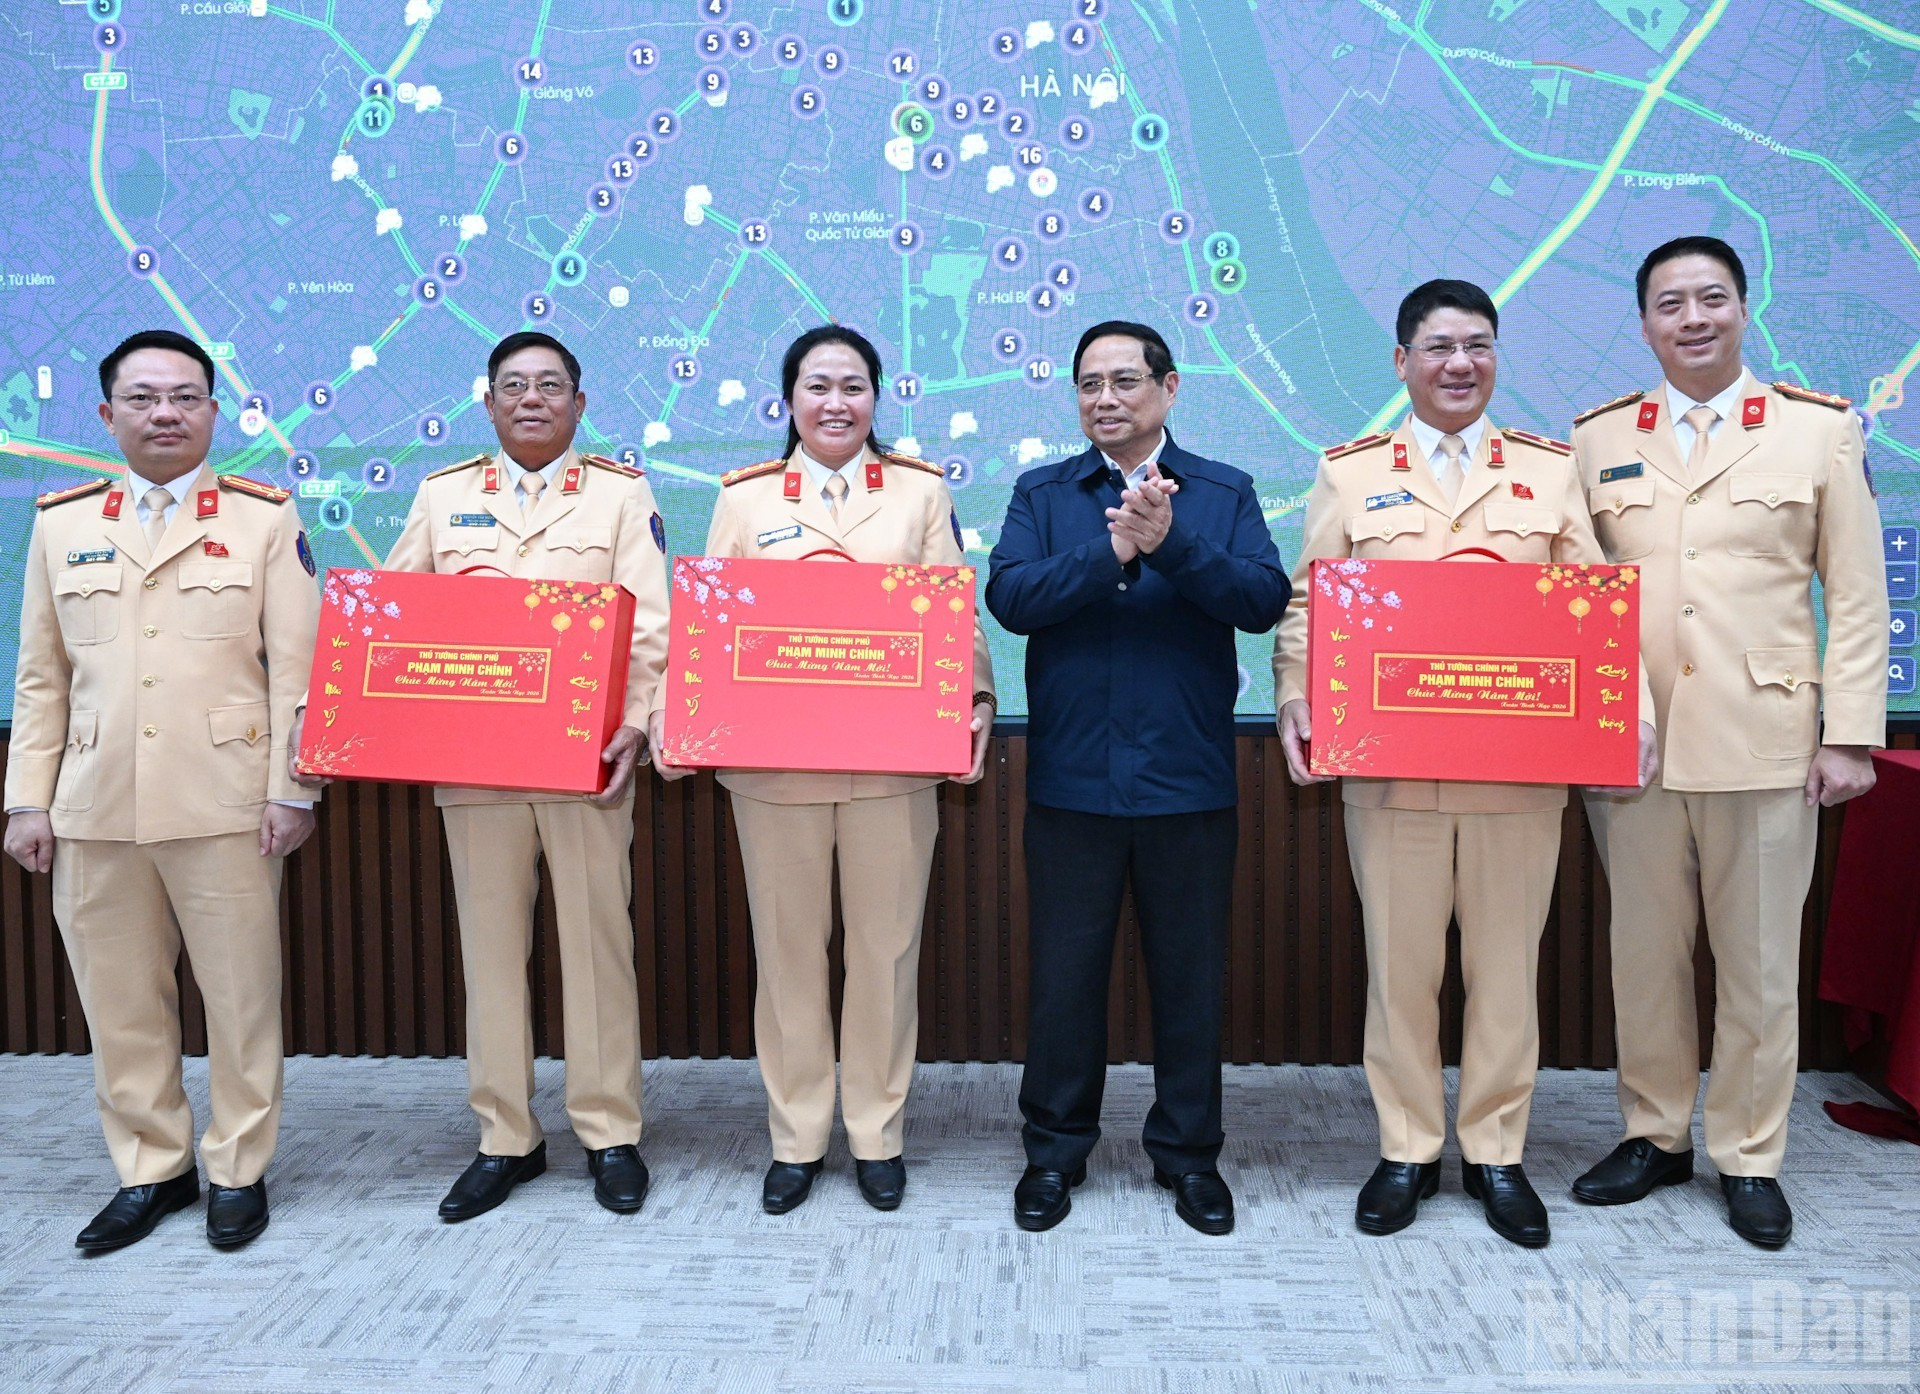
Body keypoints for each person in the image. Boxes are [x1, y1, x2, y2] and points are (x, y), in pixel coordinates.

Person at [1273, 280, 1658, 1249]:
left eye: (1478, 345)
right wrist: (1295, 697)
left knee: (1505, 973)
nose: (1460, 364)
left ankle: (1495, 1152)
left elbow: (1597, 608)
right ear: (1402, 361)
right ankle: (1406, 1147)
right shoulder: (1352, 473)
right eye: (1440, 347)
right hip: (1391, 775)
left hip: (1517, 775)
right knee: (1400, 972)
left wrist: (1631, 717)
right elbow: (1310, 602)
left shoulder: (1548, 472)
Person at [1568, 236, 1888, 1247]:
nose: (1693, 317)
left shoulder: (1817, 431)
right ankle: (1655, 1135)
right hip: (1634, 748)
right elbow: (1576, 594)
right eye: (1670, 303)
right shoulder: (1597, 439)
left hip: (1767, 742)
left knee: (1757, 967)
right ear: (1645, 323)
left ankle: (1750, 1154)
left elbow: (1858, 593)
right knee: (1644, 959)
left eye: (1711, 297)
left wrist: (1850, 736)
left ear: (1744, 309)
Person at [653, 324, 993, 1215]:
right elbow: (709, 624)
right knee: (789, 958)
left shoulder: (920, 493)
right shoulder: (745, 499)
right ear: (789, 400)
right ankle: (797, 1138)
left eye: (853, 386)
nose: (835, 403)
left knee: (885, 956)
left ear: (877, 398)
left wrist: (978, 701)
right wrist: (679, 714)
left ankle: (878, 1135)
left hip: (894, 770)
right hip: (775, 773)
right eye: (817, 386)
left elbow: (955, 615)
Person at [2, 329, 320, 1251]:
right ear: (108, 416)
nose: (165, 413)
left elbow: (297, 673)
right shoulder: (62, 524)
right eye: (143, 399)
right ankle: (152, 1167)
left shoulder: (264, 519)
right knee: (120, 1001)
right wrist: (27, 799)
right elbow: (41, 678)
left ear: (215, 413)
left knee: (241, 998)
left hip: (227, 800)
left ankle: (238, 1167)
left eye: (184, 397)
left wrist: (293, 790)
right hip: (94, 800)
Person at [986, 320, 1290, 1236]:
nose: (1105, 399)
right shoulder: (1043, 493)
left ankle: (1189, 1157)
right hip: (1071, 782)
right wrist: (1113, 551)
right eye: (1089, 384)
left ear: (1169, 388)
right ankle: (1054, 1153)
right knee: (1064, 979)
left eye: (1124, 380)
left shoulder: (1224, 492)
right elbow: (1011, 597)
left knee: (1190, 979)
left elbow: (1262, 600)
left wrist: (1173, 545)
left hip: (1187, 782)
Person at [367, 330, 669, 1221]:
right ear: (488, 402)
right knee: (491, 951)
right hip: (475, 763)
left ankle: (609, 1132)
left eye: (549, 385)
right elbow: (394, 613)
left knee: (596, 946)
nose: (531, 398)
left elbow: (652, 623)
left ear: (580, 403)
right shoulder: (442, 495)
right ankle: (506, 1136)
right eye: (513, 385)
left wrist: (636, 724)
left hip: (587, 762)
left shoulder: (621, 494)